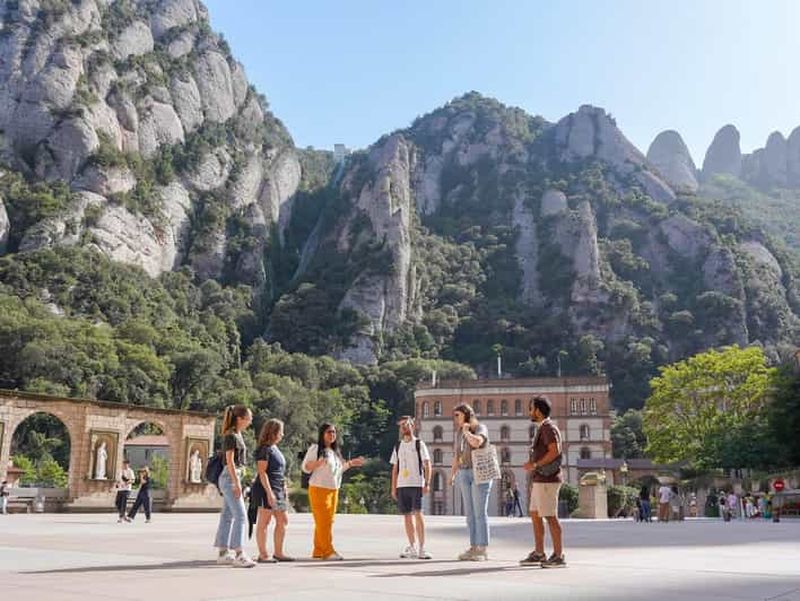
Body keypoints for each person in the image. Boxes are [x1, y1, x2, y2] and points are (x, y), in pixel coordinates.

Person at [302, 423, 365, 560]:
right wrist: (317, 464)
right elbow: (305, 467)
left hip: (333, 489)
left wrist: (351, 464)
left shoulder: (335, 452)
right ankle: (328, 551)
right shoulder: (316, 448)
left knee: (327, 521)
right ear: (322, 434)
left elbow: (338, 471)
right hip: (319, 488)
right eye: (329, 432)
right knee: (323, 521)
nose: (332, 435)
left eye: (334, 432)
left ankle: (318, 550)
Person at [520, 396, 566, 568]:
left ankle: (558, 555)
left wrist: (535, 464)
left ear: (538, 410)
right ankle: (539, 553)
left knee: (550, 516)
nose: (529, 412)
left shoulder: (548, 428)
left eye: (531, 408)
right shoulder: (543, 427)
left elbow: (555, 451)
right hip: (540, 479)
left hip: (548, 479)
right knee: (535, 514)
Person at [214, 404, 256, 568]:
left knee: (227, 516)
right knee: (241, 515)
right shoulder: (231, 436)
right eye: (248, 418)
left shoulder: (237, 434)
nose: (250, 422)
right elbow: (230, 460)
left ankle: (223, 552)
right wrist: (236, 483)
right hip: (230, 477)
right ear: (239, 419)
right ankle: (239, 553)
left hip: (233, 476)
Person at [450, 403, 492, 561]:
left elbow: (477, 443)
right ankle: (473, 547)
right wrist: (452, 474)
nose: (455, 419)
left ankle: (482, 548)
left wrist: (467, 431)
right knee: (470, 514)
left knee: (480, 512)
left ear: (467, 415)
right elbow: (457, 455)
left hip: (479, 473)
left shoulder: (480, 428)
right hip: (464, 472)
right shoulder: (459, 433)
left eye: (457, 415)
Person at [250, 418, 294, 563]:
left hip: (278, 488)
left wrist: (284, 488)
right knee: (264, 521)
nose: (283, 434)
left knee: (283, 520)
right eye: (281, 431)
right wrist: (269, 493)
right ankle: (263, 555)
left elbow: (279, 471)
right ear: (274, 432)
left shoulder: (276, 449)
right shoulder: (264, 449)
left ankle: (278, 552)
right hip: (266, 489)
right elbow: (262, 472)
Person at [390, 416, 432, 560]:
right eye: (401, 426)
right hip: (402, 484)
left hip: (416, 483)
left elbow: (427, 464)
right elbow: (395, 468)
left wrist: (427, 483)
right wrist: (393, 487)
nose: (403, 428)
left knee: (418, 514)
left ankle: (422, 547)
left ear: (412, 426)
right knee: (407, 516)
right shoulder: (398, 446)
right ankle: (412, 546)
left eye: (406, 425)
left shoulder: (419, 444)